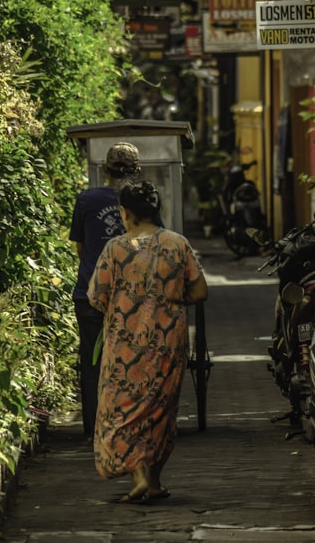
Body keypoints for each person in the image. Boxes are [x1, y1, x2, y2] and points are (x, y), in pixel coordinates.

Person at [87, 180, 209, 503]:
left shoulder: (114, 249)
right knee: (160, 411)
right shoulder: (177, 244)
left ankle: (140, 477)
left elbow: (96, 296)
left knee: (121, 411)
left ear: (125, 213)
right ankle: (153, 481)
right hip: (168, 344)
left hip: (124, 347)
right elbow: (200, 292)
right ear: (157, 209)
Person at [69, 142, 142, 443]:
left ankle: (95, 428)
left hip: (91, 293)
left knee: (92, 361)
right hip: (133, 298)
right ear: (137, 171)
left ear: (104, 169)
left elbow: (80, 247)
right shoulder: (143, 200)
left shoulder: (86, 199)